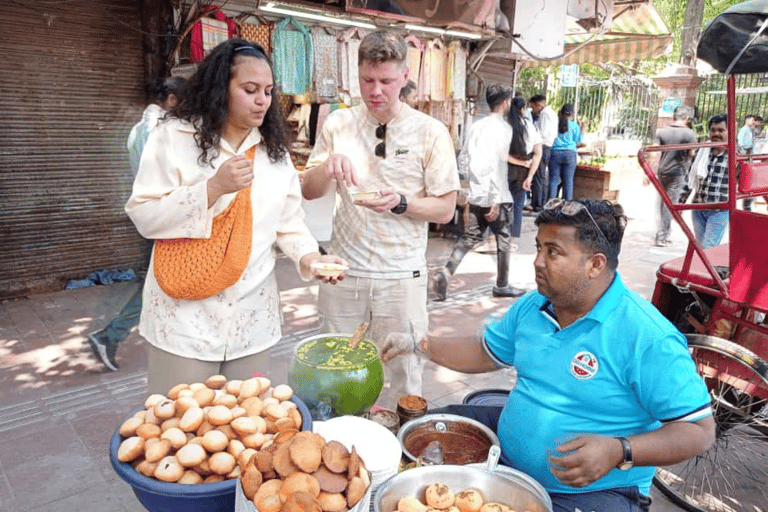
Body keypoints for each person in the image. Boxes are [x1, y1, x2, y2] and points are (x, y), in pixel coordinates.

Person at [382, 198, 715, 512]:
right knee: (417, 434)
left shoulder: (647, 337)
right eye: (539, 247)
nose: (537, 260)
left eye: (553, 252)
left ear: (595, 265)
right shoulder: (535, 305)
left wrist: (620, 450)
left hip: (598, 492)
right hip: (506, 464)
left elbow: (699, 432)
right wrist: (418, 344)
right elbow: (486, 350)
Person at [125, 39, 346, 395]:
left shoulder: (274, 154)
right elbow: (144, 214)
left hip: (251, 322)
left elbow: (289, 223)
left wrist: (311, 257)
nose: (262, 100)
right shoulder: (174, 137)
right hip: (185, 320)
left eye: (269, 91)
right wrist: (211, 189)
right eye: (250, 89)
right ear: (219, 89)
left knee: (246, 433)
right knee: (182, 433)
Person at [301, 30, 459, 406]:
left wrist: (401, 203)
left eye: (386, 81)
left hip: (401, 278)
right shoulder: (338, 125)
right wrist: (327, 168)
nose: (376, 91)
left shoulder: (430, 132)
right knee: (334, 376)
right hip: (344, 274)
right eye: (367, 80)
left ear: (405, 77)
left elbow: (445, 208)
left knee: (404, 377)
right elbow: (309, 189)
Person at [87, 75, 185, 371]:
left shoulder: (139, 129)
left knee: (161, 283)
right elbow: (161, 181)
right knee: (161, 284)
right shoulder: (157, 131)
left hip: (152, 217)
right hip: (162, 219)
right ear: (170, 101)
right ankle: (109, 335)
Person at [433, 84, 521, 301]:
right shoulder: (504, 128)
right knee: (503, 237)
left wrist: (469, 188)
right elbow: (497, 164)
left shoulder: (476, 126)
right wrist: (496, 199)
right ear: (505, 103)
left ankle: (446, 272)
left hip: (475, 192)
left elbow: (463, 159)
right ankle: (502, 285)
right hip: (494, 194)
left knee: (468, 238)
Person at [648, 105, 696, 247]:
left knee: (663, 202)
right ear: (686, 118)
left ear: (673, 117)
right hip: (678, 172)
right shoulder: (689, 134)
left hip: (663, 170)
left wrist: (650, 170)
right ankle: (662, 236)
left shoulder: (662, 132)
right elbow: (692, 154)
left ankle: (662, 231)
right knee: (670, 204)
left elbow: (653, 152)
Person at [506, 97, 542, 254]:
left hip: (504, 170)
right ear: (522, 110)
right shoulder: (530, 126)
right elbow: (538, 153)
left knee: (501, 205)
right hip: (523, 172)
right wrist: (530, 175)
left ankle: (497, 239)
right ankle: (512, 243)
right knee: (518, 207)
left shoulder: (503, 127)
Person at [689, 114, 730, 249]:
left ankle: (707, 270)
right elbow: (690, 176)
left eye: (720, 130)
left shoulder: (736, 154)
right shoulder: (703, 151)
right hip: (699, 208)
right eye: (713, 130)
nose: (716, 133)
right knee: (701, 249)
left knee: (708, 248)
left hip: (719, 210)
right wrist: (680, 202)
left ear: (729, 131)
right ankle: (703, 269)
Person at [529, 94, 558, 211]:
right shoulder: (551, 113)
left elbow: (542, 133)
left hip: (543, 146)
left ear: (539, 105)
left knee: (539, 176)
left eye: (533, 107)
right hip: (546, 146)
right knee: (540, 176)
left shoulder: (545, 114)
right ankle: (538, 203)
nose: (533, 110)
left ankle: (538, 204)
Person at [548, 104, 581, 201]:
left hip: (555, 153)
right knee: (568, 181)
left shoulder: (554, 124)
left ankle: (551, 204)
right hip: (570, 154)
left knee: (553, 180)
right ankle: (568, 205)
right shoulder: (574, 126)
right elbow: (578, 140)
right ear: (572, 114)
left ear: (561, 112)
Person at [737, 114, 757, 211]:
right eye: (752, 120)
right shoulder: (744, 130)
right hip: (744, 152)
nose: (754, 122)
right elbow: (740, 142)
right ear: (747, 120)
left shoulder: (751, 130)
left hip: (749, 152)